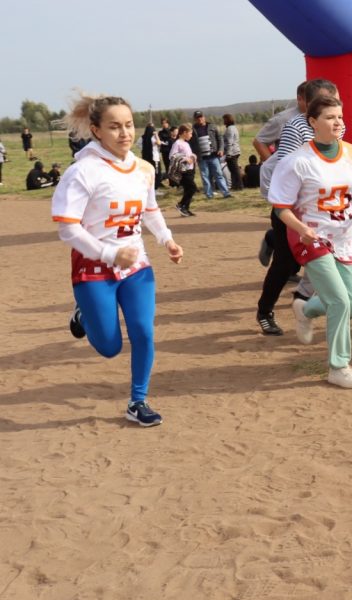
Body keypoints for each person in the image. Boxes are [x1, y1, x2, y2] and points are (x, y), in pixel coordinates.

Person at [51, 94, 183, 426]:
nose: (124, 133)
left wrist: (166, 239)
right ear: (96, 130)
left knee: (143, 333)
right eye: (114, 127)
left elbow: (149, 210)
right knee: (110, 347)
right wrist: (110, 253)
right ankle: (84, 314)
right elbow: (68, 228)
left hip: (137, 266)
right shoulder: (82, 172)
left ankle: (138, 401)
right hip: (94, 268)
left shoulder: (144, 169)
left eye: (128, 125)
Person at [267, 94, 352, 388]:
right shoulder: (297, 161)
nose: (338, 122)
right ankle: (338, 367)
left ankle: (306, 309)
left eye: (340, 116)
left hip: (345, 237)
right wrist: (301, 228)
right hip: (311, 238)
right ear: (313, 122)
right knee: (339, 302)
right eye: (330, 117)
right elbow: (280, 208)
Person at [257, 79, 340, 335]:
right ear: (310, 105)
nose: (333, 107)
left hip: (321, 205)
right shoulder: (295, 127)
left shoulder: (337, 125)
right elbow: (287, 168)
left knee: (342, 249)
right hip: (291, 205)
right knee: (286, 263)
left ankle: (303, 298)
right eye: (326, 101)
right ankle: (264, 311)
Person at [188, 111, 232, 199]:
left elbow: (220, 138)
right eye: (197, 118)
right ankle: (209, 195)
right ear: (195, 119)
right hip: (201, 158)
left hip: (213, 156)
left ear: (204, 117)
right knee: (205, 177)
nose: (200, 119)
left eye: (201, 117)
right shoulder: (193, 129)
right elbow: (190, 143)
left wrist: (221, 149)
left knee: (219, 175)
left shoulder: (212, 126)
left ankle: (226, 193)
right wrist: (193, 156)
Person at [170, 124, 198, 217]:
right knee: (193, 188)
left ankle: (186, 209)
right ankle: (181, 205)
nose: (191, 135)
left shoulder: (186, 143)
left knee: (188, 189)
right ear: (184, 133)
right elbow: (172, 156)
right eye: (190, 133)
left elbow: (188, 154)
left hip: (190, 169)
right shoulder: (177, 143)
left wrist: (193, 156)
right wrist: (185, 159)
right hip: (183, 171)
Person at [222, 114, 242, 191]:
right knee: (234, 170)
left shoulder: (229, 129)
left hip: (232, 152)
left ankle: (239, 185)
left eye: (224, 119)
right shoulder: (234, 128)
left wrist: (228, 154)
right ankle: (235, 185)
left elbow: (229, 142)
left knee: (234, 170)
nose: (223, 121)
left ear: (227, 120)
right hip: (235, 151)